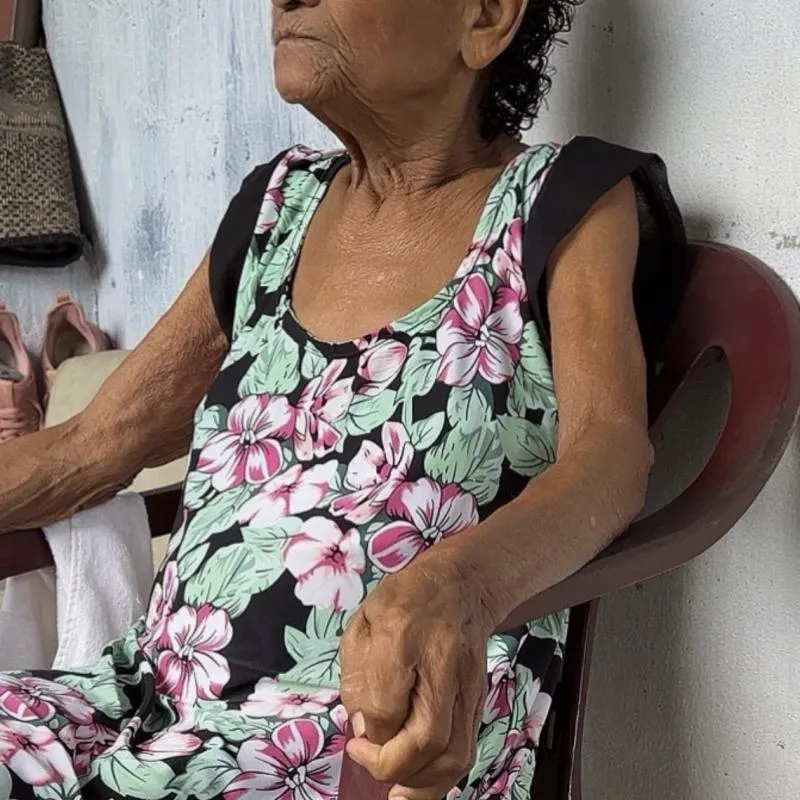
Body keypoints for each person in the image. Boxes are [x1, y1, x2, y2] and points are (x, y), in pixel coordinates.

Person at [0, 0, 687, 797]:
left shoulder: (560, 200)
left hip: (365, 734)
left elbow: (610, 452)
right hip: (154, 697)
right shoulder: (277, 208)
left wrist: (462, 586)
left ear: (487, 17)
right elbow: (92, 447)